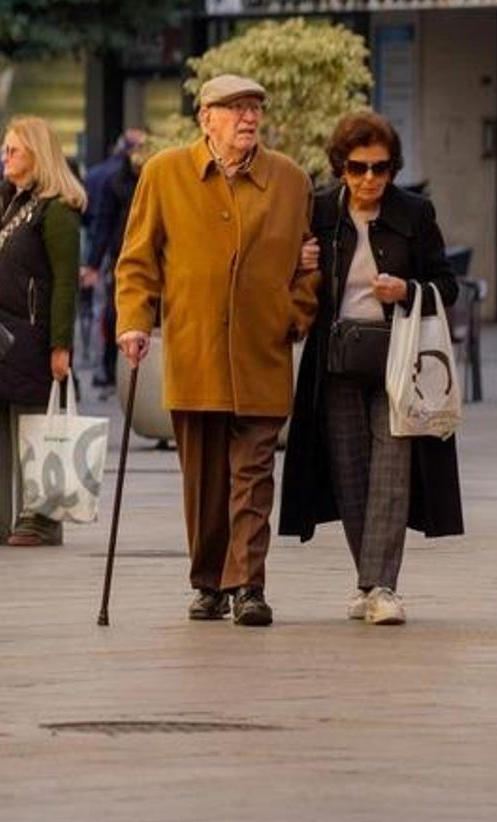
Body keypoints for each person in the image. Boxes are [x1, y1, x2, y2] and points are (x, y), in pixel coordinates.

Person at [113, 74, 319, 627]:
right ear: (205, 118)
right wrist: (134, 321)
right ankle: (208, 581)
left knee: (253, 476)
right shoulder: (164, 173)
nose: (247, 118)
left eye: (254, 108)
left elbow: (310, 260)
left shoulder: (291, 180)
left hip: (262, 352)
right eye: (233, 109)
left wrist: (294, 314)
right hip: (194, 350)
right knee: (203, 482)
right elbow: (137, 261)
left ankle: (247, 583)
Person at [278, 111, 464, 627]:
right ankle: (369, 581)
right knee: (348, 474)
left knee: (392, 472)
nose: (369, 179)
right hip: (334, 363)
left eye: (381, 169)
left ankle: (381, 586)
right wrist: (303, 265)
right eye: (358, 168)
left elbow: (447, 285)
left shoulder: (415, 214)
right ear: (340, 166)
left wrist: (407, 291)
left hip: (398, 362)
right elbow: (285, 276)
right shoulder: (317, 210)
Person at [0, 116, 86, 548]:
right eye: (3, 150)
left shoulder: (57, 208)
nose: (5, 157)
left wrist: (61, 345)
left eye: (13, 150)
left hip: (31, 334)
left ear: (37, 153)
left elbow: (66, 281)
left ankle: (40, 518)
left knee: (36, 429)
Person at [81, 128, 146, 389]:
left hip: (137, 257)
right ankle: (109, 369)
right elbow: (105, 224)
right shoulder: (115, 181)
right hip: (121, 258)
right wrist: (94, 263)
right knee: (112, 314)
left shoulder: (153, 179)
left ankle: (116, 370)